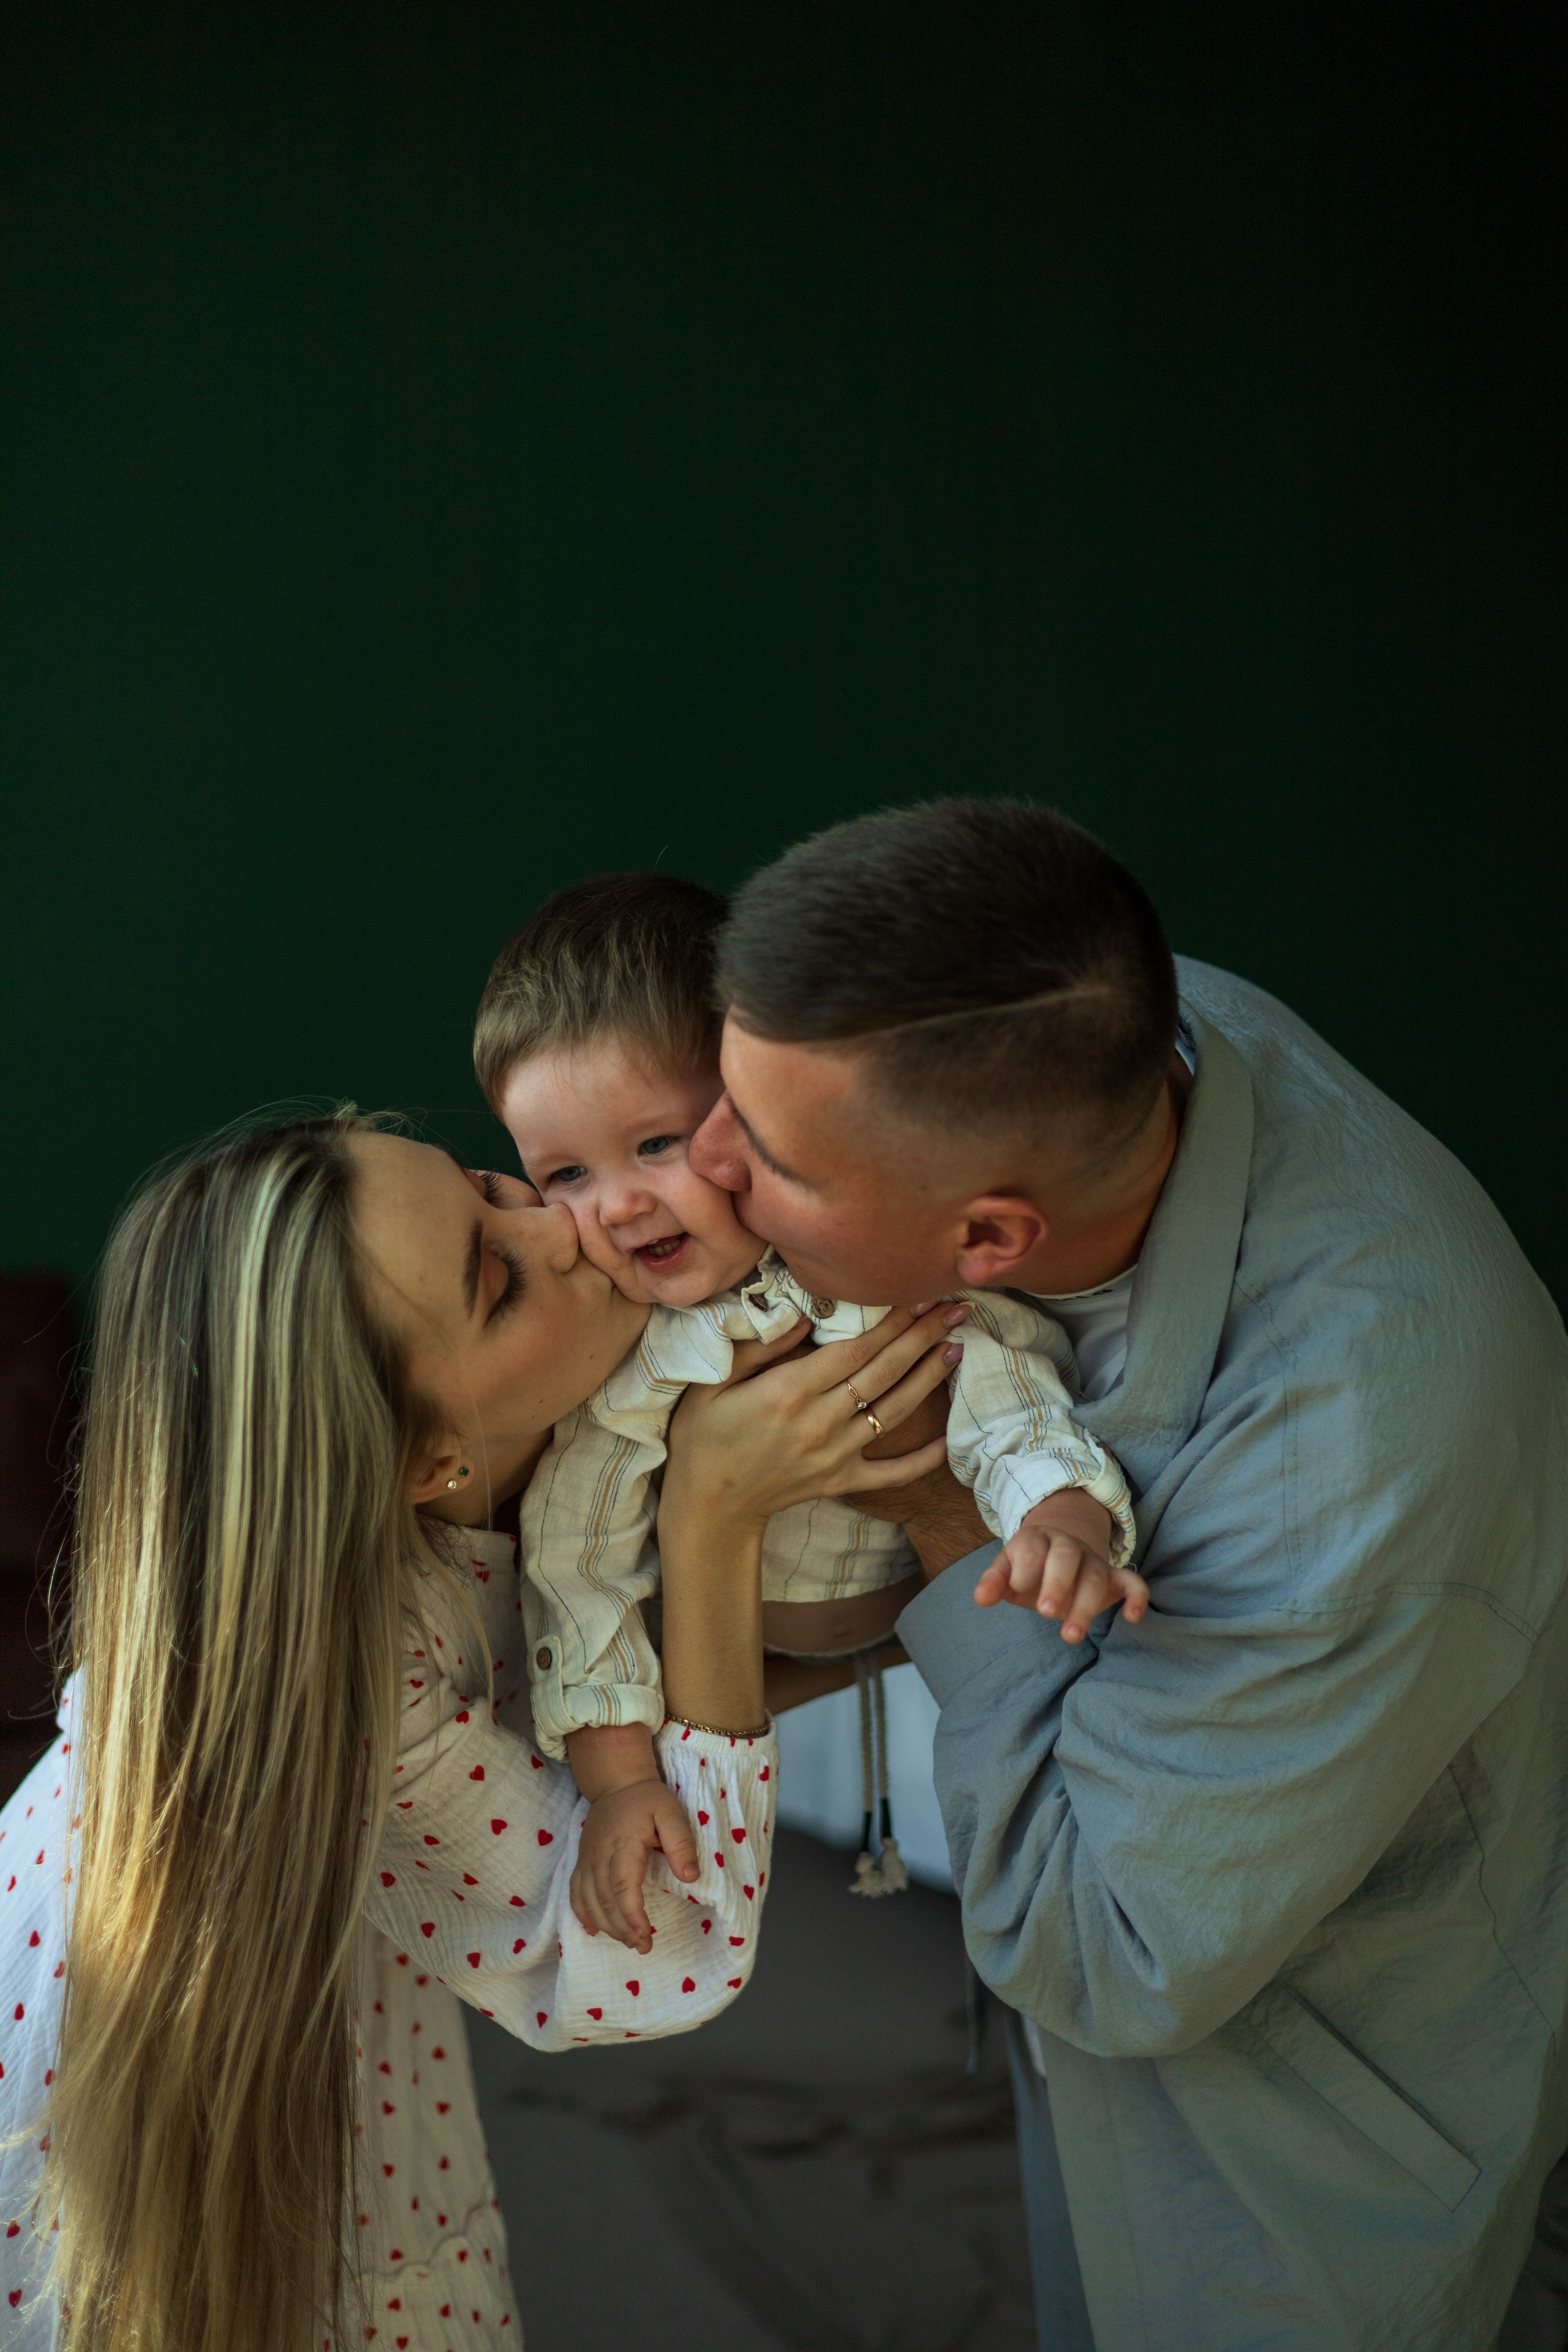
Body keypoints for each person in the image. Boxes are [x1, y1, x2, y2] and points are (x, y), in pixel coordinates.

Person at [688, 797, 1568, 2352]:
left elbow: (1108, 1953)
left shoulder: (1352, 1451)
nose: (697, 1164)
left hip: (1308, 2123)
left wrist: (951, 1523)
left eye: (766, 1156)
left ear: (988, 1237)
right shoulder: (1113, 1024)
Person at [0, 1112, 958, 2352]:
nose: (565, 1226)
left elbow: (593, 1708)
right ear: (422, 1458)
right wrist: (713, 1518)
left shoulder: (530, 1452)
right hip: (114, 2066)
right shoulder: (356, 1678)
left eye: (493, 1185)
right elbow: (637, 1957)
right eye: (499, 1280)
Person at [469, 873, 1144, 1928]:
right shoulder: (622, 1357)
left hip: (918, 1612)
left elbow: (1006, 1385)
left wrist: (1062, 1515)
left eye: (657, 1143)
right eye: (564, 1175)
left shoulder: (862, 1258)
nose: (621, 1203)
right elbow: (579, 1563)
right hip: (740, 1648)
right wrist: (619, 1783)